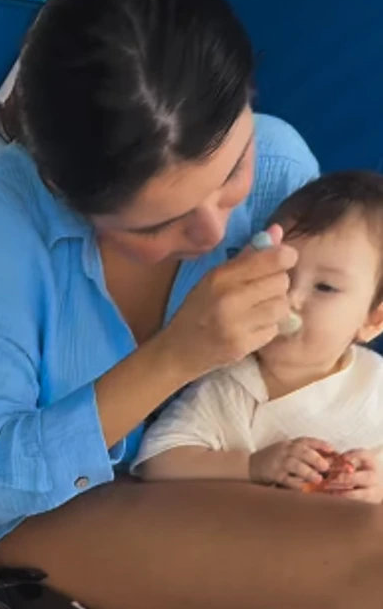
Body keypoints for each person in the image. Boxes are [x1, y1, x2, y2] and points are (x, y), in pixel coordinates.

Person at [0, 0, 383, 609]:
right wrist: (178, 351)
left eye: (229, 170)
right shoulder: (7, 212)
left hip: (224, 478)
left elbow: (325, 362)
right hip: (48, 512)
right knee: (363, 563)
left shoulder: (278, 162)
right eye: (158, 223)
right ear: (69, 196)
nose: (213, 231)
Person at [135, 172, 383, 498]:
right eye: (279, 272)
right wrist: (251, 466)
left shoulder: (373, 384)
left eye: (325, 287)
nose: (290, 298)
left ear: (373, 320)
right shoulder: (229, 381)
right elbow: (157, 460)